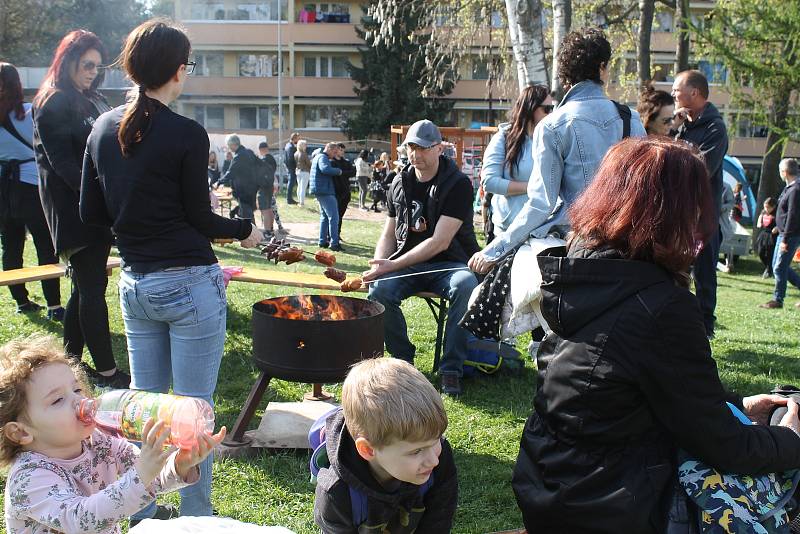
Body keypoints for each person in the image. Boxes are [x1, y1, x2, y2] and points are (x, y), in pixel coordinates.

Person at [512, 137, 800, 533]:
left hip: (550, 487)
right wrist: (790, 438)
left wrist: (736, 405)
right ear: (672, 214)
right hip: (614, 506)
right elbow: (727, 446)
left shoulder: (583, 272)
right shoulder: (659, 306)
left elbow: (631, 394)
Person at [79, 19, 262, 519]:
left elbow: (89, 215)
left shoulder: (100, 128)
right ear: (179, 71)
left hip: (135, 284)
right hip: (187, 285)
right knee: (193, 415)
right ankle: (196, 519)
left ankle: (140, 517)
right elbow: (203, 220)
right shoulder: (186, 133)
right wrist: (246, 228)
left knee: (145, 415)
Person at [0, 334, 224, 533]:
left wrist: (178, 465)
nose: (79, 400)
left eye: (77, 389)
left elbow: (146, 479)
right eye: (58, 399)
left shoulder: (99, 440)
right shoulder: (28, 478)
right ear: (20, 433)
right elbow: (81, 520)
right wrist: (142, 473)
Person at [468, 28, 646, 275]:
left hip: (576, 247)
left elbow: (541, 204)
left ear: (564, 76)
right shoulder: (631, 118)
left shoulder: (552, 126)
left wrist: (495, 250)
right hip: (627, 247)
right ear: (603, 67)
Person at [32, 29, 128, 388]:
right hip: (73, 209)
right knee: (90, 288)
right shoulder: (54, 101)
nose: (92, 72)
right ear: (67, 60)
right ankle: (106, 372)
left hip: (91, 205)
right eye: (86, 65)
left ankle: (70, 363)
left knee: (85, 287)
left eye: (97, 67)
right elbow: (63, 165)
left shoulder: (86, 99)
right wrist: (102, 198)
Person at [364, 120, 480, 396]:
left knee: (466, 284)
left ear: (439, 148)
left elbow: (440, 242)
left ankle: (451, 368)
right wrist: (379, 265)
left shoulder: (458, 184)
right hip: (407, 262)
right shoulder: (398, 181)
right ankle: (404, 362)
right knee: (378, 290)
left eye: (424, 148)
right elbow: (389, 233)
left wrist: (393, 265)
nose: (416, 154)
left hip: (450, 263)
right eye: (411, 147)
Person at [313, 358, 457, 533]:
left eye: (435, 441)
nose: (434, 460)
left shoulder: (440, 460)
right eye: (417, 451)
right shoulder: (337, 493)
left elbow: (438, 522)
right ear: (367, 450)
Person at [0, 63, 64, 320]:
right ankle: (54, 306)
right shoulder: (28, 112)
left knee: (11, 246)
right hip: (31, 187)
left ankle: (21, 301)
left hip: (3, 189)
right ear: (18, 84)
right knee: (45, 245)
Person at [671, 69, 728, 337]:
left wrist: (674, 162)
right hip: (678, 213)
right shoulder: (681, 126)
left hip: (703, 216)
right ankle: (676, 319)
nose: (673, 94)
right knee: (674, 269)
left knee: (704, 274)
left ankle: (705, 326)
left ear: (694, 92)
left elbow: (703, 168)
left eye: (676, 89)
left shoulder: (716, 128)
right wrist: (673, 129)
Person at [481, 84, 552, 235]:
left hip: (543, 230)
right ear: (531, 108)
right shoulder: (503, 138)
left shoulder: (552, 139)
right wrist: (533, 187)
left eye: (553, 109)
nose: (551, 114)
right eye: (547, 109)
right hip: (507, 230)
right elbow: (489, 181)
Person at [760, 158, 800, 309]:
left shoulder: (795, 189)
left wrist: (786, 238)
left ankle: (778, 299)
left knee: (779, 267)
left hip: (789, 235)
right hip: (783, 233)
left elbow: (793, 215)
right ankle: (778, 298)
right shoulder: (789, 188)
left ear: (785, 172)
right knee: (779, 266)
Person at [310, 142, 344, 251]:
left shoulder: (318, 156)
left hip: (319, 189)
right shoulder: (323, 158)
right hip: (325, 190)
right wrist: (338, 171)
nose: (334, 155)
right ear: (328, 149)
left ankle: (322, 241)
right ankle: (334, 244)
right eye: (334, 152)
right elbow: (325, 169)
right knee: (334, 217)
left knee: (324, 217)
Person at [217, 134, 260, 221]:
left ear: (232, 144)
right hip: (252, 188)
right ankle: (246, 229)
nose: (229, 148)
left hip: (243, 190)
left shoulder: (239, 156)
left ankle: (252, 233)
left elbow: (230, 173)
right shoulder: (249, 152)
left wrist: (219, 182)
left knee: (247, 217)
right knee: (246, 213)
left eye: (229, 146)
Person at [332, 143, 355, 240]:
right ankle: (332, 235)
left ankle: (338, 234)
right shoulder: (332, 162)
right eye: (340, 150)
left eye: (343, 150)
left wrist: (341, 173)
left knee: (340, 215)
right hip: (336, 192)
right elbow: (333, 174)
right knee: (335, 215)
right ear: (336, 150)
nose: (342, 152)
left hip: (345, 192)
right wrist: (342, 173)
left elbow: (353, 172)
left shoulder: (346, 162)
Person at [257, 141, 277, 237]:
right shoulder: (271, 159)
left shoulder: (265, 159)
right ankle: (271, 229)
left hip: (264, 187)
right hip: (269, 187)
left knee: (265, 211)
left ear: (262, 149)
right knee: (269, 209)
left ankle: (267, 232)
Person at [756, 197, 778, 278]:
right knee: (760, 252)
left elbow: (782, 223)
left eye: (768, 207)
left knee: (769, 254)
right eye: (765, 207)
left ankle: (769, 270)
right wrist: (759, 221)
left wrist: (777, 228)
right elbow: (760, 216)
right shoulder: (764, 212)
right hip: (764, 234)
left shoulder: (777, 214)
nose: (766, 209)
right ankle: (768, 267)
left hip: (772, 236)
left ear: (773, 207)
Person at [295, 139, 312, 207]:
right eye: (305, 145)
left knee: (299, 187)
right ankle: (302, 203)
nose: (306, 146)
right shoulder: (304, 154)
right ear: (302, 146)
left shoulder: (295, 153)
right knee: (303, 188)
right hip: (305, 171)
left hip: (298, 171)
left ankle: (299, 201)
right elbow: (308, 163)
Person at [284, 132, 299, 204]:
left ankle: (289, 198)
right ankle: (289, 199)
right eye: (298, 138)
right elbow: (290, 159)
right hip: (291, 167)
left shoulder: (288, 145)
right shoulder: (291, 147)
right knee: (291, 183)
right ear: (295, 138)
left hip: (289, 167)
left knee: (291, 183)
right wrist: (295, 167)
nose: (298, 140)